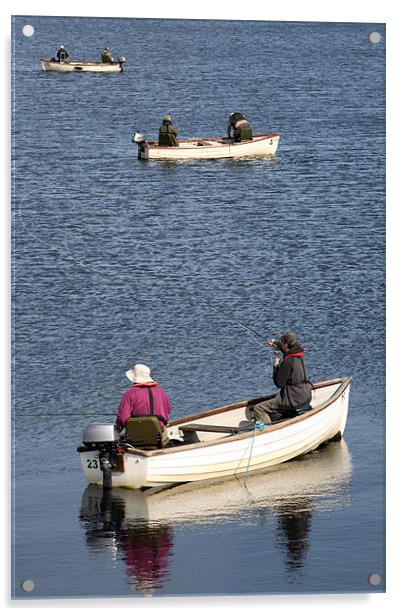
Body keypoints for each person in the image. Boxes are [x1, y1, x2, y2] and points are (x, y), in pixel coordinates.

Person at [247, 331, 312, 424]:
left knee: (258, 408)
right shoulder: (299, 356)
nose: (281, 344)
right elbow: (288, 351)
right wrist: (276, 343)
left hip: (293, 399)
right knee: (274, 406)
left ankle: (268, 431)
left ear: (286, 345)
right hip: (305, 395)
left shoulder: (288, 362)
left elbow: (279, 383)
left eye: (282, 343)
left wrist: (276, 366)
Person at [115, 363, 171, 432]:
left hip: (137, 433)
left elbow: (122, 418)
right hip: (158, 431)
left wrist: (118, 427)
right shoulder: (161, 391)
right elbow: (167, 411)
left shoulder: (129, 393)